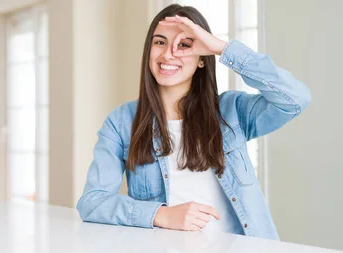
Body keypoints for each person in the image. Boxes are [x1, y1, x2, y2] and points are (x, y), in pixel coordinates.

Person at [75, 4, 311, 241]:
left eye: (185, 45)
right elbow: (92, 202)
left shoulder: (232, 111)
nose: (169, 54)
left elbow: (295, 99)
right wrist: (161, 215)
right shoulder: (121, 122)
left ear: (201, 59)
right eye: (159, 42)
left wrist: (222, 48)